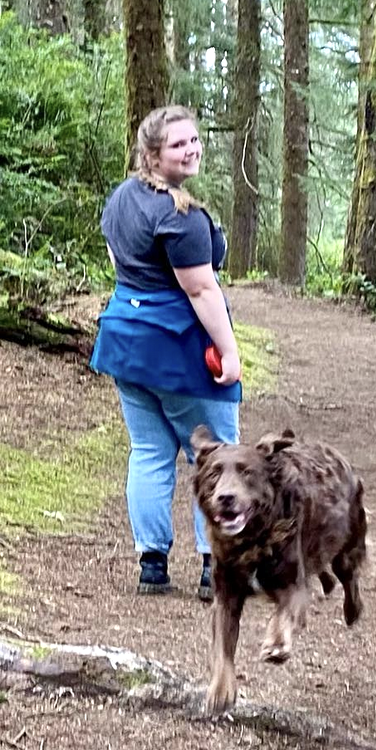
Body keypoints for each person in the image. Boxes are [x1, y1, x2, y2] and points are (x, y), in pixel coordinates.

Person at [89, 105, 242, 600]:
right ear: (151, 154)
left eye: (195, 140)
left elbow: (120, 260)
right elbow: (201, 291)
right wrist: (230, 353)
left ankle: (151, 563)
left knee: (150, 451)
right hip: (178, 349)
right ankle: (212, 566)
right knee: (215, 457)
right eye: (178, 144)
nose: (192, 149)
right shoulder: (183, 217)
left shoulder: (120, 199)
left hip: (125, 341)